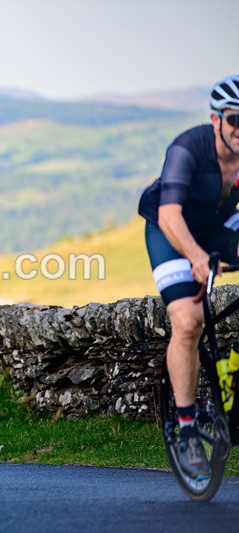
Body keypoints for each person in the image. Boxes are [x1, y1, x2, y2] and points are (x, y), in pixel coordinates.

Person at [138, 74, 239, 480]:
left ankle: (229, 385)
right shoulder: (188, 148)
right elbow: (169, 215)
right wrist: (197, 258)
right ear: (216, 121)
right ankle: (186, 429)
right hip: (172, 230)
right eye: (235, 120)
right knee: (189, 320)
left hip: (221, 227)